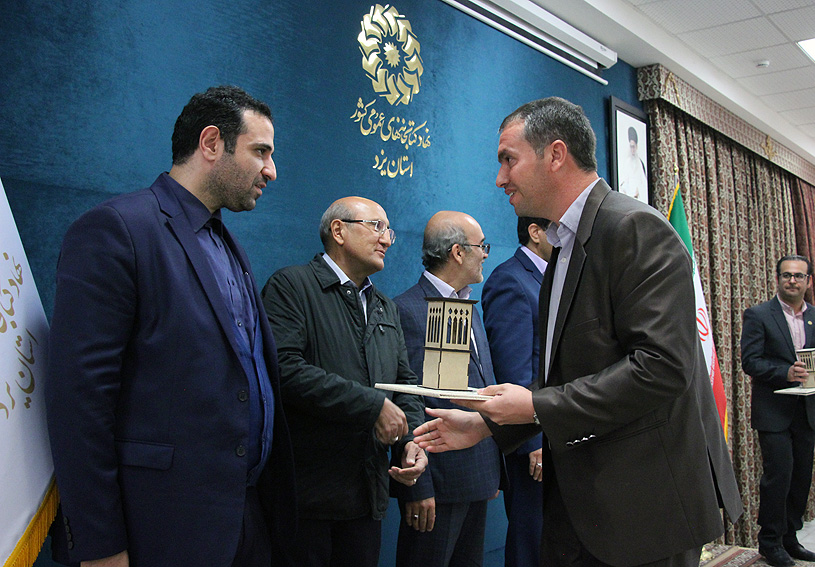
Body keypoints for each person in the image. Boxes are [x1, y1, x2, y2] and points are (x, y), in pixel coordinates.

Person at [413, 96, 743, 567]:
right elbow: (571, 373)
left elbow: (662, 366)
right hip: (589, 507)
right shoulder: (565, 247)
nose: (501, 178)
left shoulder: (634, 228)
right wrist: (487, 425)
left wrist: (534, 406)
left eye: (508, 159)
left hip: (643, 511)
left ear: (555, 154)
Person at [44, 86, 296, 567]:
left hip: (244, 525)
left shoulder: (228, 245)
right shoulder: (117, 230)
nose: (271, 170)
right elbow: (79, 402)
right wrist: (99, 544)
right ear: (211, 143)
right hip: (159, 531)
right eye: (260, 151)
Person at [261, 197, 427, 567]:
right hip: (307, 499)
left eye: (390, 231)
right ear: (338, 230)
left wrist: (411, 442)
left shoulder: (385, 306)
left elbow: (404, 384)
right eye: (377, 226)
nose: (386, 239)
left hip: (366, 497)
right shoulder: (292, 286)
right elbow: (283, 369)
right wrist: (373, 406)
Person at [392, 211, 503, 567]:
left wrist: (492, 467)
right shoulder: (408, 311)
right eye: (481, 246)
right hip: (437, 487)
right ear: (457, 252)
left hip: (476, 476)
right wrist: (419, 486)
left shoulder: (467, 304)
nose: (485, 254)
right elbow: (408, 399)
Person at [741, 255, 815, 566]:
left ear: (809, 281)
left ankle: (790, 538)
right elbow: (750, 362)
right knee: (778, 477)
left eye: (798, 276)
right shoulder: (758, 315)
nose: (792, 281)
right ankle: (770, 542)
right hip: (774, 413)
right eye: (786, 275)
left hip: (807, 412)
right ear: (778, 279)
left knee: (800, 478)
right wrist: (785, 373)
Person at [480, 216, 551, 567]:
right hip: (532, 443)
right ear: (535, 232)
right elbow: (513, 370)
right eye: (558, 228)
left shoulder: (556, 278)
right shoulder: (510, 280)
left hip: (559, 429)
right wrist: (532, 441)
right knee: (531, 543)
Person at [618, 126, 648, 202]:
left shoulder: (640, 163)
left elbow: (644, 183)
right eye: (631, 147)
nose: (632, 149)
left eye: (633, 147)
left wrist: (638, 191)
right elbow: (622, 183)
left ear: (636, 146)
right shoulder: (627, 162)